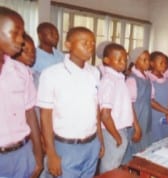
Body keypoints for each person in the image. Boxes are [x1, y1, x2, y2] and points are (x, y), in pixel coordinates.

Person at [37, 27, 104, 177]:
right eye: (84, 43)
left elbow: (96, 108)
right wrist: (51, 153)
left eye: (92, 43)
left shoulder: (94, 72)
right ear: (68, 45)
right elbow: (45, 116)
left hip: (91, 144)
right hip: (65, 147)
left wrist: (100, 139)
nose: (90, 47)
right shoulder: (51, 74)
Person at [0, 6, 43, 178]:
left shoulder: (21, 71)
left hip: (22, 154)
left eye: (22, 33)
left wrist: (38, 156)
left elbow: (30, 113)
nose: (21, 40)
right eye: (15, 33)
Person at [98, 43, 142, 173]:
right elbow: (105, 115)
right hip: (112, 131)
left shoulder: (119, 78)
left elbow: (127, 105)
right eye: (119, 59)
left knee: (115, 164)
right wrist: (117, 137)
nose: (124, 62)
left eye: (125, 59)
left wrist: (136, 126)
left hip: (119, 129)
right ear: (106, 60)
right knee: (109, 168)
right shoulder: (109, 81)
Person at [122, 47, 153, 163]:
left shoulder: (146, 77)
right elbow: (129, 105)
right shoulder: (132, 80)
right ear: (135, 61)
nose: (147, 63)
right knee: (134, 150)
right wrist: (136, 127)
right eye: (143, 60)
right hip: (137, 120)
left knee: (143, 149)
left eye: (148, 59)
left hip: (145, 119)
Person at [148, 51, 168, 143]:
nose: (164, 65)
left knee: (166, 137)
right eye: (161, 62)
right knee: (156, 140)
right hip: (155, 115)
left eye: (165, 63)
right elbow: (151, 101)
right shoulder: (149, 79)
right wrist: (167, 112)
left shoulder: (165, 78)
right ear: (152, 64)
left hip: (166, 115)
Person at [31, 22, 64, 86]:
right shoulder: (33, 55)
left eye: (57, 33)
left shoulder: (61, 55)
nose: (56, 36)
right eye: (51, 34)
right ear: (40, 36)